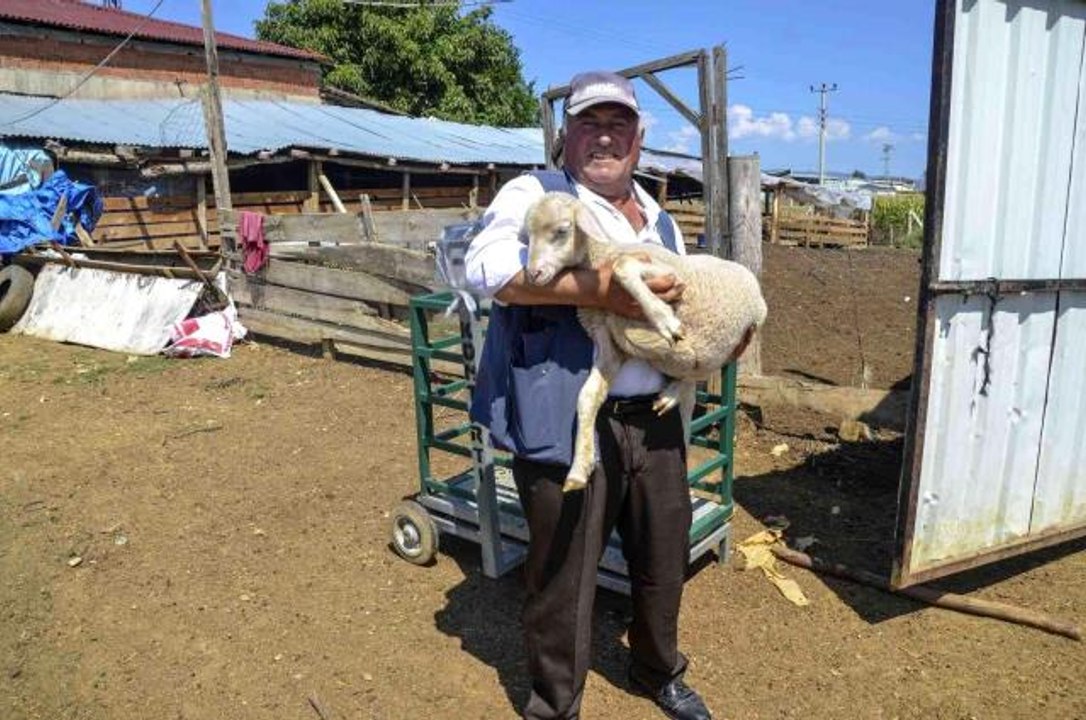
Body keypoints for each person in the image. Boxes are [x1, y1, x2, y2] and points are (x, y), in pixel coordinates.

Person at [465, 71, 712, 720]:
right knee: (563, 575)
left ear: (639, 136)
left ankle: (659, 670)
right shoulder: (538, 195)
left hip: (653, 419)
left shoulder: (661, 220)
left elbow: (683, 305)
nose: (605, 135)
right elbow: (486, 267)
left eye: (619, 123)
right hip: (564, 419)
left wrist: (714, 345)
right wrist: (603, 290)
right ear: (565, 135)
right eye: (589, 123)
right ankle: (555, 704)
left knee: (664, 557)